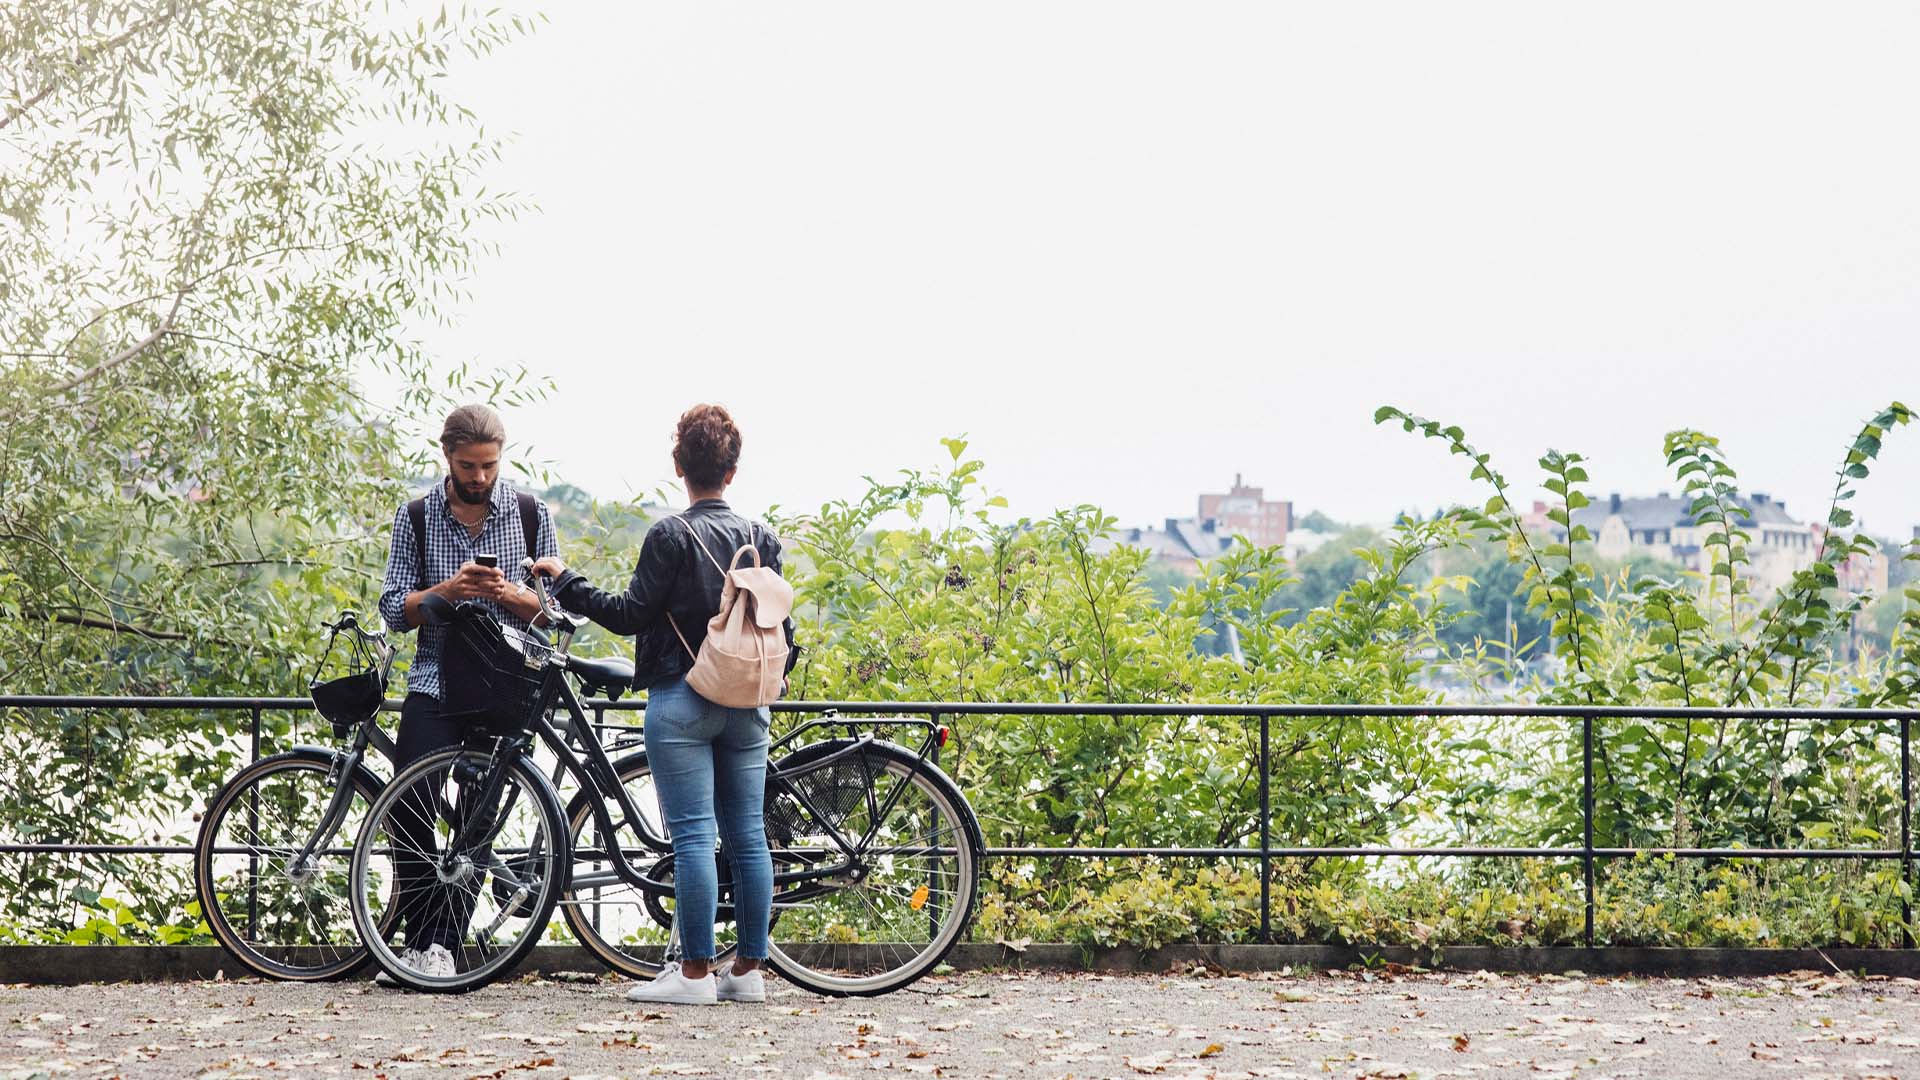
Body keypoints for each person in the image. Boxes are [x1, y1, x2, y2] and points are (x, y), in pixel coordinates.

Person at [532, 403, 796, 1006]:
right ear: (733, 469)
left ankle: (696, 974)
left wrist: (566, 580)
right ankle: (748, 972)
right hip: (749, 699)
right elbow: (781, 625)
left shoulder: (671, 535)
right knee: (749, 835)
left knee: (695, 837)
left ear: (679, 464)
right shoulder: (763, 538)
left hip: (682, 696)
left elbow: (630, 615)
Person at [376, 403, 559, 982]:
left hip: (505, 684)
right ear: (446, 456)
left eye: (488, 465)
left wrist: (510, 595)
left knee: (478, 820)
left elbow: (555, 615)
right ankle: (414, 945)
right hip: (434, 679)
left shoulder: (532, 514)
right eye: (467, 466)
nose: (479, 477)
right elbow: (392, 609)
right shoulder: (418, 516)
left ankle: (444, 947)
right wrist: (450, 590)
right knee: (409, 807)